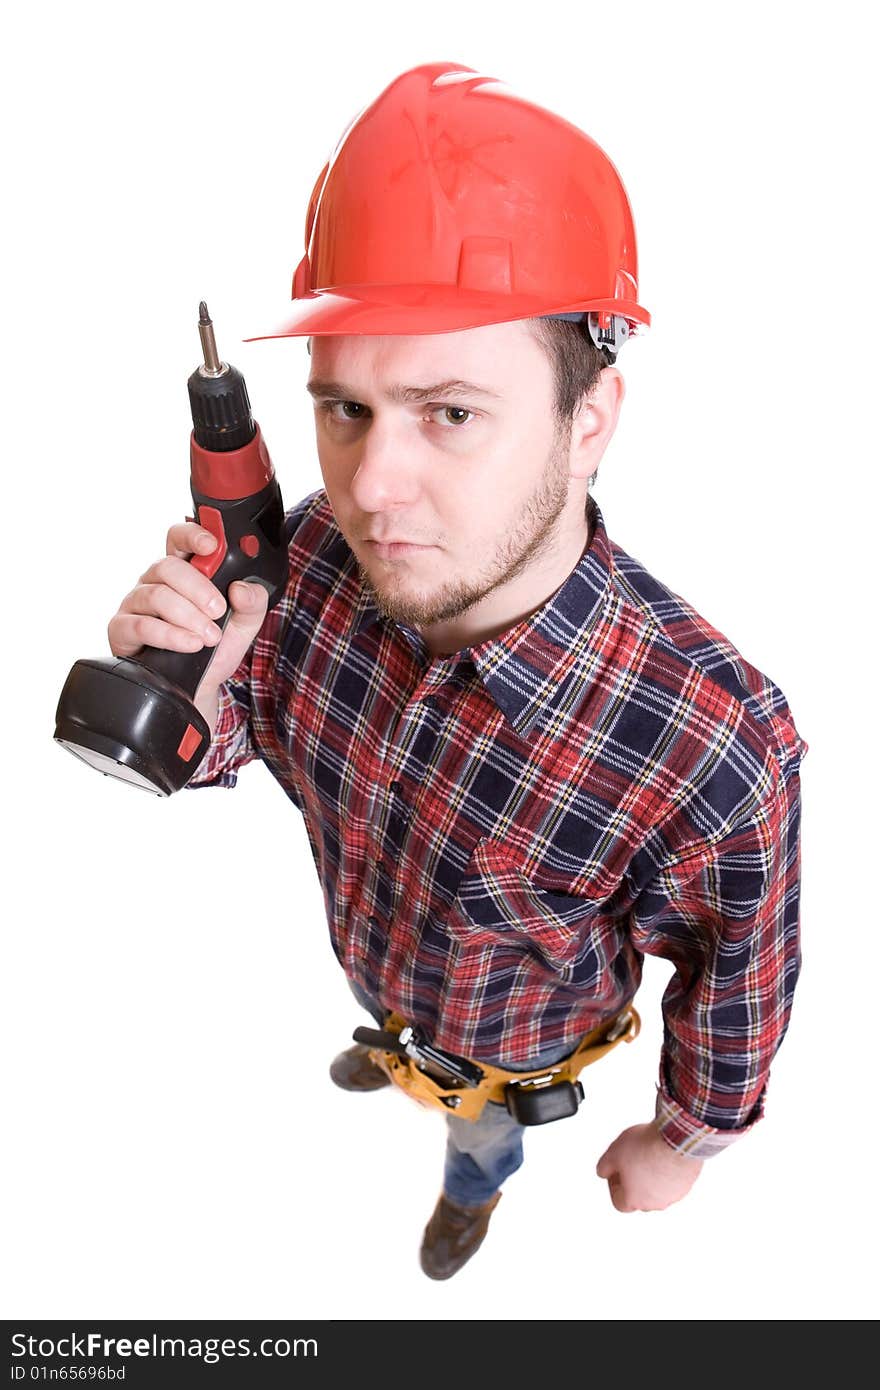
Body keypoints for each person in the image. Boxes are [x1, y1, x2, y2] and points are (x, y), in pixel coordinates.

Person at [105, 62, 808, 1280]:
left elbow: (734, 983)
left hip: (518, 1047)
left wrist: (684, 1142)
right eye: (346, 408)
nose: (370, 488)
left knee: (474, 1128)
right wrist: (191, 695)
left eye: (451, 414)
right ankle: (389, 1047)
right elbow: (243, 736)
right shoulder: (313, 560)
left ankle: (470, 1190)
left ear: (587, 420)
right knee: (395, 1034)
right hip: (374, 957)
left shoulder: (710, 744)